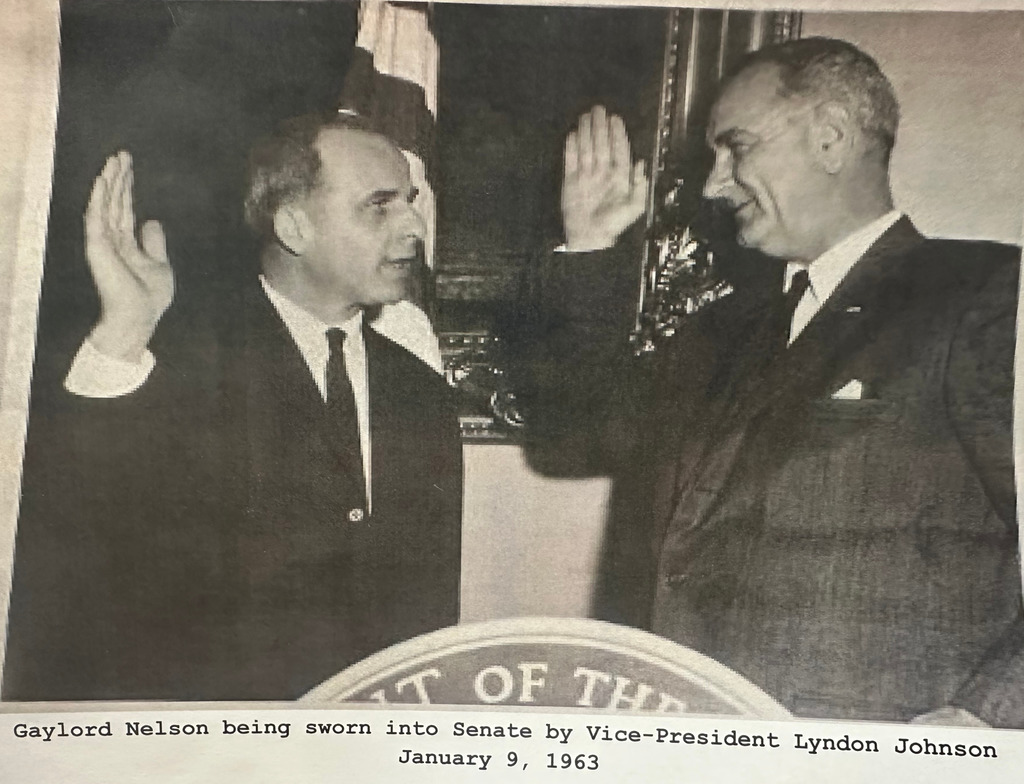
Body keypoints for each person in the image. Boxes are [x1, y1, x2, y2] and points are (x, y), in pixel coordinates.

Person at [525, 38, 1024, 727]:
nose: (713, 183)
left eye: (737, 147)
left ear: (830, 138)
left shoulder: (983, 293)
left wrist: (986, 715)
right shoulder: (724, 331)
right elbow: (574, 437)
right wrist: (587, 247)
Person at [3, 113, 462, 701]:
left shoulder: (420, 391)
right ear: (294, 226)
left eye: (411, 201)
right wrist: (124, 332)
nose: (414, 225)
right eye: (380, 204)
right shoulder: (172, 359)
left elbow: (428, 620)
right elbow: (70, 541)